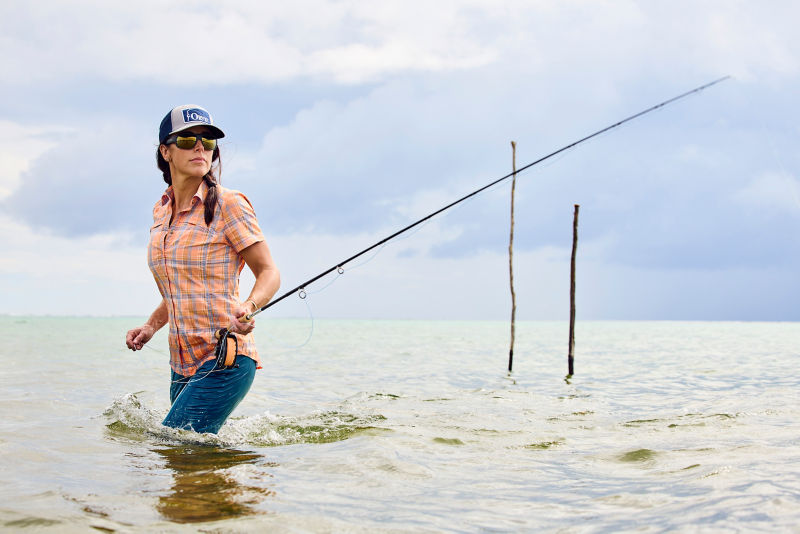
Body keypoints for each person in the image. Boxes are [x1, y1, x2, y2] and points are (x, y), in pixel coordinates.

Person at [125, 104, 280, 434]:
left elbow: (269, 272)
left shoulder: (229, 204)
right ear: (165, 151)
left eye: (207, 141)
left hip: (226, 356)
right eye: (187, 139)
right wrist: (151, 327)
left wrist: (249, 307)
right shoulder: (161, 210)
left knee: (173, 443)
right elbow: (179, 289)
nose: (199, 146)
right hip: (180, 364)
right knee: (188, 473)